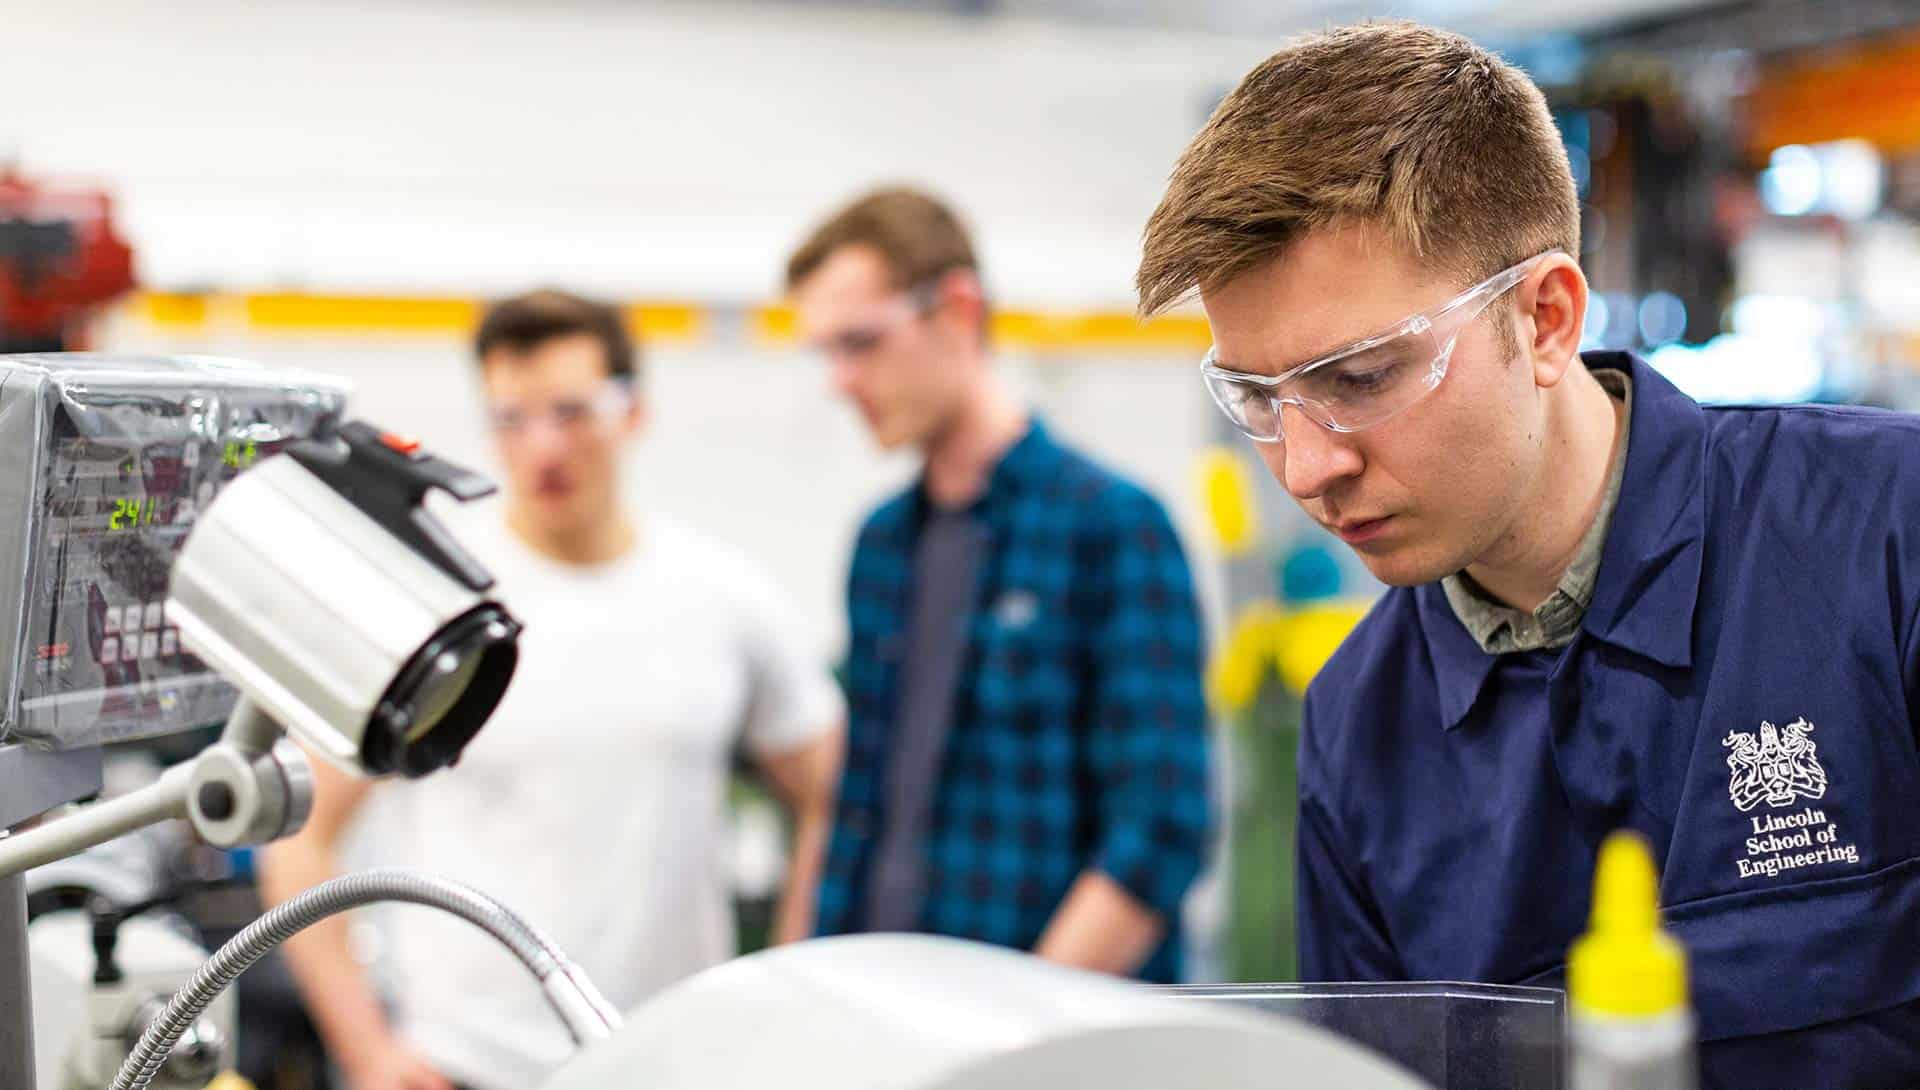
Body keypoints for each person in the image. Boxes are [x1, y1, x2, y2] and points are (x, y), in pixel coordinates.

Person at [1135, 20, 1920, 1088]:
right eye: (1259, 400)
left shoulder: (1885, 538)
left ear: (1545, 318)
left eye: (1362, 376)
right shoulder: (1359, 730)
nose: (1308, 467)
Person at [259, 290, 845, 1090]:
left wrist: (779, 999)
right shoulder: (430, 603)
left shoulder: (724, 598)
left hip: (670, 1064)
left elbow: (831, 796)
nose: (543, 447)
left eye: (572, 413)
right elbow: (298, 831)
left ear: (632, 412)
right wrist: (367, 1051)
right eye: (512, 418)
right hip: (466, 1067)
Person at [785, 188, 1211, 983]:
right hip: (888, 1018)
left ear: (955, 310)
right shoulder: (881, 546)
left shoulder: (1112, 526)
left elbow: (1159, 832)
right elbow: (857, 814)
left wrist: (1016, 1040)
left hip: (1054, 1043)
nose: (841, 380)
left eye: (860, 343)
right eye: (827, 352)